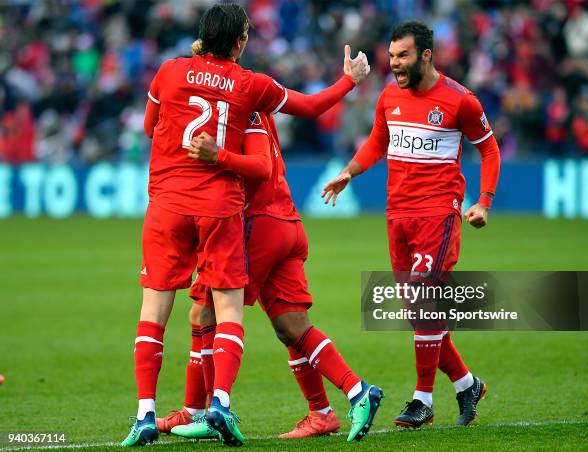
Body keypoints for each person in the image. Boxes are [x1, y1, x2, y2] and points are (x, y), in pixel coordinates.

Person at [122, 3, 369, 447]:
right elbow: (310, 107)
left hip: (177, 204)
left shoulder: (169, 72)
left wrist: (199, 151)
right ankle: (228, 404)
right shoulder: (251, 88)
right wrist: (350, 79)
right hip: (228, 209)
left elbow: (149, 126)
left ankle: (154, 413)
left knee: (167, 311)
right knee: (266, 318)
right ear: (239, 42)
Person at [322, 20, 501, 428]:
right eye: (391, 56)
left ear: (425, 54)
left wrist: (484, 202)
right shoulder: (389, 95)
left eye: (402, 56)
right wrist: (350, 171)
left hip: (438, 213)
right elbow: (376, 143)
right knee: (420, 312)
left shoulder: (461, 101)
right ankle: (466, 384)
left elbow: (490, 151)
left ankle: (422, 400)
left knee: (424, 304)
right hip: (397, 214)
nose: (395, 64)